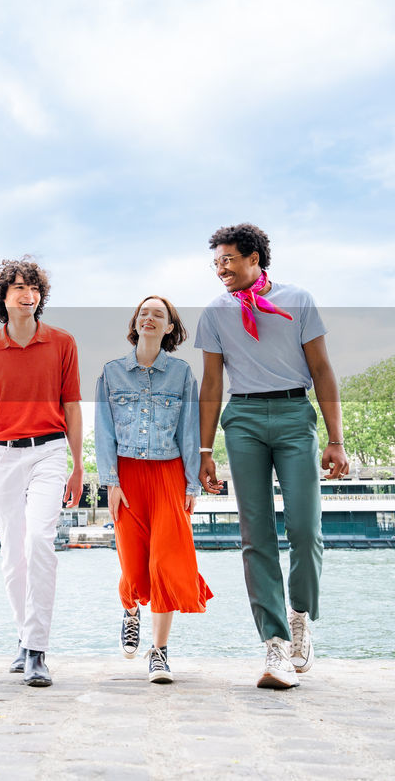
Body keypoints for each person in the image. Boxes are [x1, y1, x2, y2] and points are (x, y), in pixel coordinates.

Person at [196, 223, 349, 689]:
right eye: (216, 262)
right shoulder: (215, 313)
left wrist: (336, 439)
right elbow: (212, 385)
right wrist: (205, 450)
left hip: (292, 414)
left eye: (228, 259)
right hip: (241, 420)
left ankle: (300, 616)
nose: (221, 268)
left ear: (255, 258)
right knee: (254, 533)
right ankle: (275, 644)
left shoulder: (298, 299)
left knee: (305, 528)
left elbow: (322, 369)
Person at [0, 258, 82, 687]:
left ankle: (36, 650)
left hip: (49, 451)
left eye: (33, 286)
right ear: (3, 297)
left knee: (39, 542)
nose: (26, 293)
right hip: (3, 456)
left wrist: (78, 463)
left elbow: (71, 406)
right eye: (17, 287)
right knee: (12, 556)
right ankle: (24, 638)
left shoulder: (63, 343)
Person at [94, 295, 213, 684]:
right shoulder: (111, 373)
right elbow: (104, 431)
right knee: (133, 564)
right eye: (144, 313)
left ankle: (159, 653)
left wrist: (191, 482)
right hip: (127, 475)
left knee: (165, 562)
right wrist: (110, 481)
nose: (149, 318)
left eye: (158, 315)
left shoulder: (181, 374)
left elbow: (190, 430)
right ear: (135, 323)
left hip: (169, 474)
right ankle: (130, 610)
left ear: (169, 329)